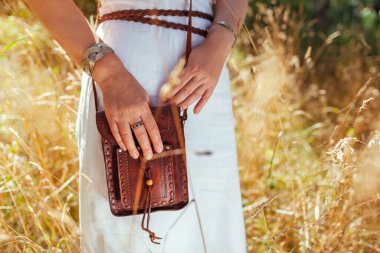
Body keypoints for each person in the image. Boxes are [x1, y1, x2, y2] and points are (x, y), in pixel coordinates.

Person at [24, 0, 249, 252]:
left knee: (212, 231)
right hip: (126, 72)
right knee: (132, 238)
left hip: (207, 75)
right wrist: (109, 74)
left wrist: (220, 41)